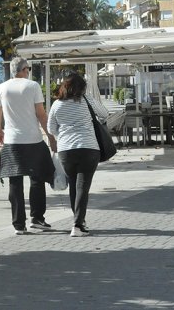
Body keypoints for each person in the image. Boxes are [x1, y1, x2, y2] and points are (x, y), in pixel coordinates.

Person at [0, 57, 56, 235]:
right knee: (37, 179)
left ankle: (18, 224)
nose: (28, 71)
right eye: (27, 68)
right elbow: (41, 115)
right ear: (23, 70)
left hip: (12, 141)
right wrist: (50, 137)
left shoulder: (2, 87)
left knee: (15, 181)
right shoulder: (32, 86)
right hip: (33, 140)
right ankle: (37, 218)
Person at [47, 73, 107, 237]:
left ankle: (78, 221)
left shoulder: (57, 105)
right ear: (82, 88)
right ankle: (78, 225)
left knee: (74, 185)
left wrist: (64, 133)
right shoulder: (86, 101)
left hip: (66, 150)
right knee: (83, 187)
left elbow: (51, 128)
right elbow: (105, 114)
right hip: (88, 148)